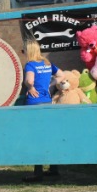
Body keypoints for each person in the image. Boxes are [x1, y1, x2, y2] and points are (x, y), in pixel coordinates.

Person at [21, 39, 64, 182]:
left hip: (34, 103)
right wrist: (50, 85)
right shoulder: (47, 63)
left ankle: (37, 172)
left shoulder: (30, 65)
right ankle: (54, 168)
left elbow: (29, 80)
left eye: (24, 50)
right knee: (48, 135)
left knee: (36, 137)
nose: (23, 53)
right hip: (47, 102)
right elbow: (61, 75)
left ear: (29, 51)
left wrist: (30, 87)